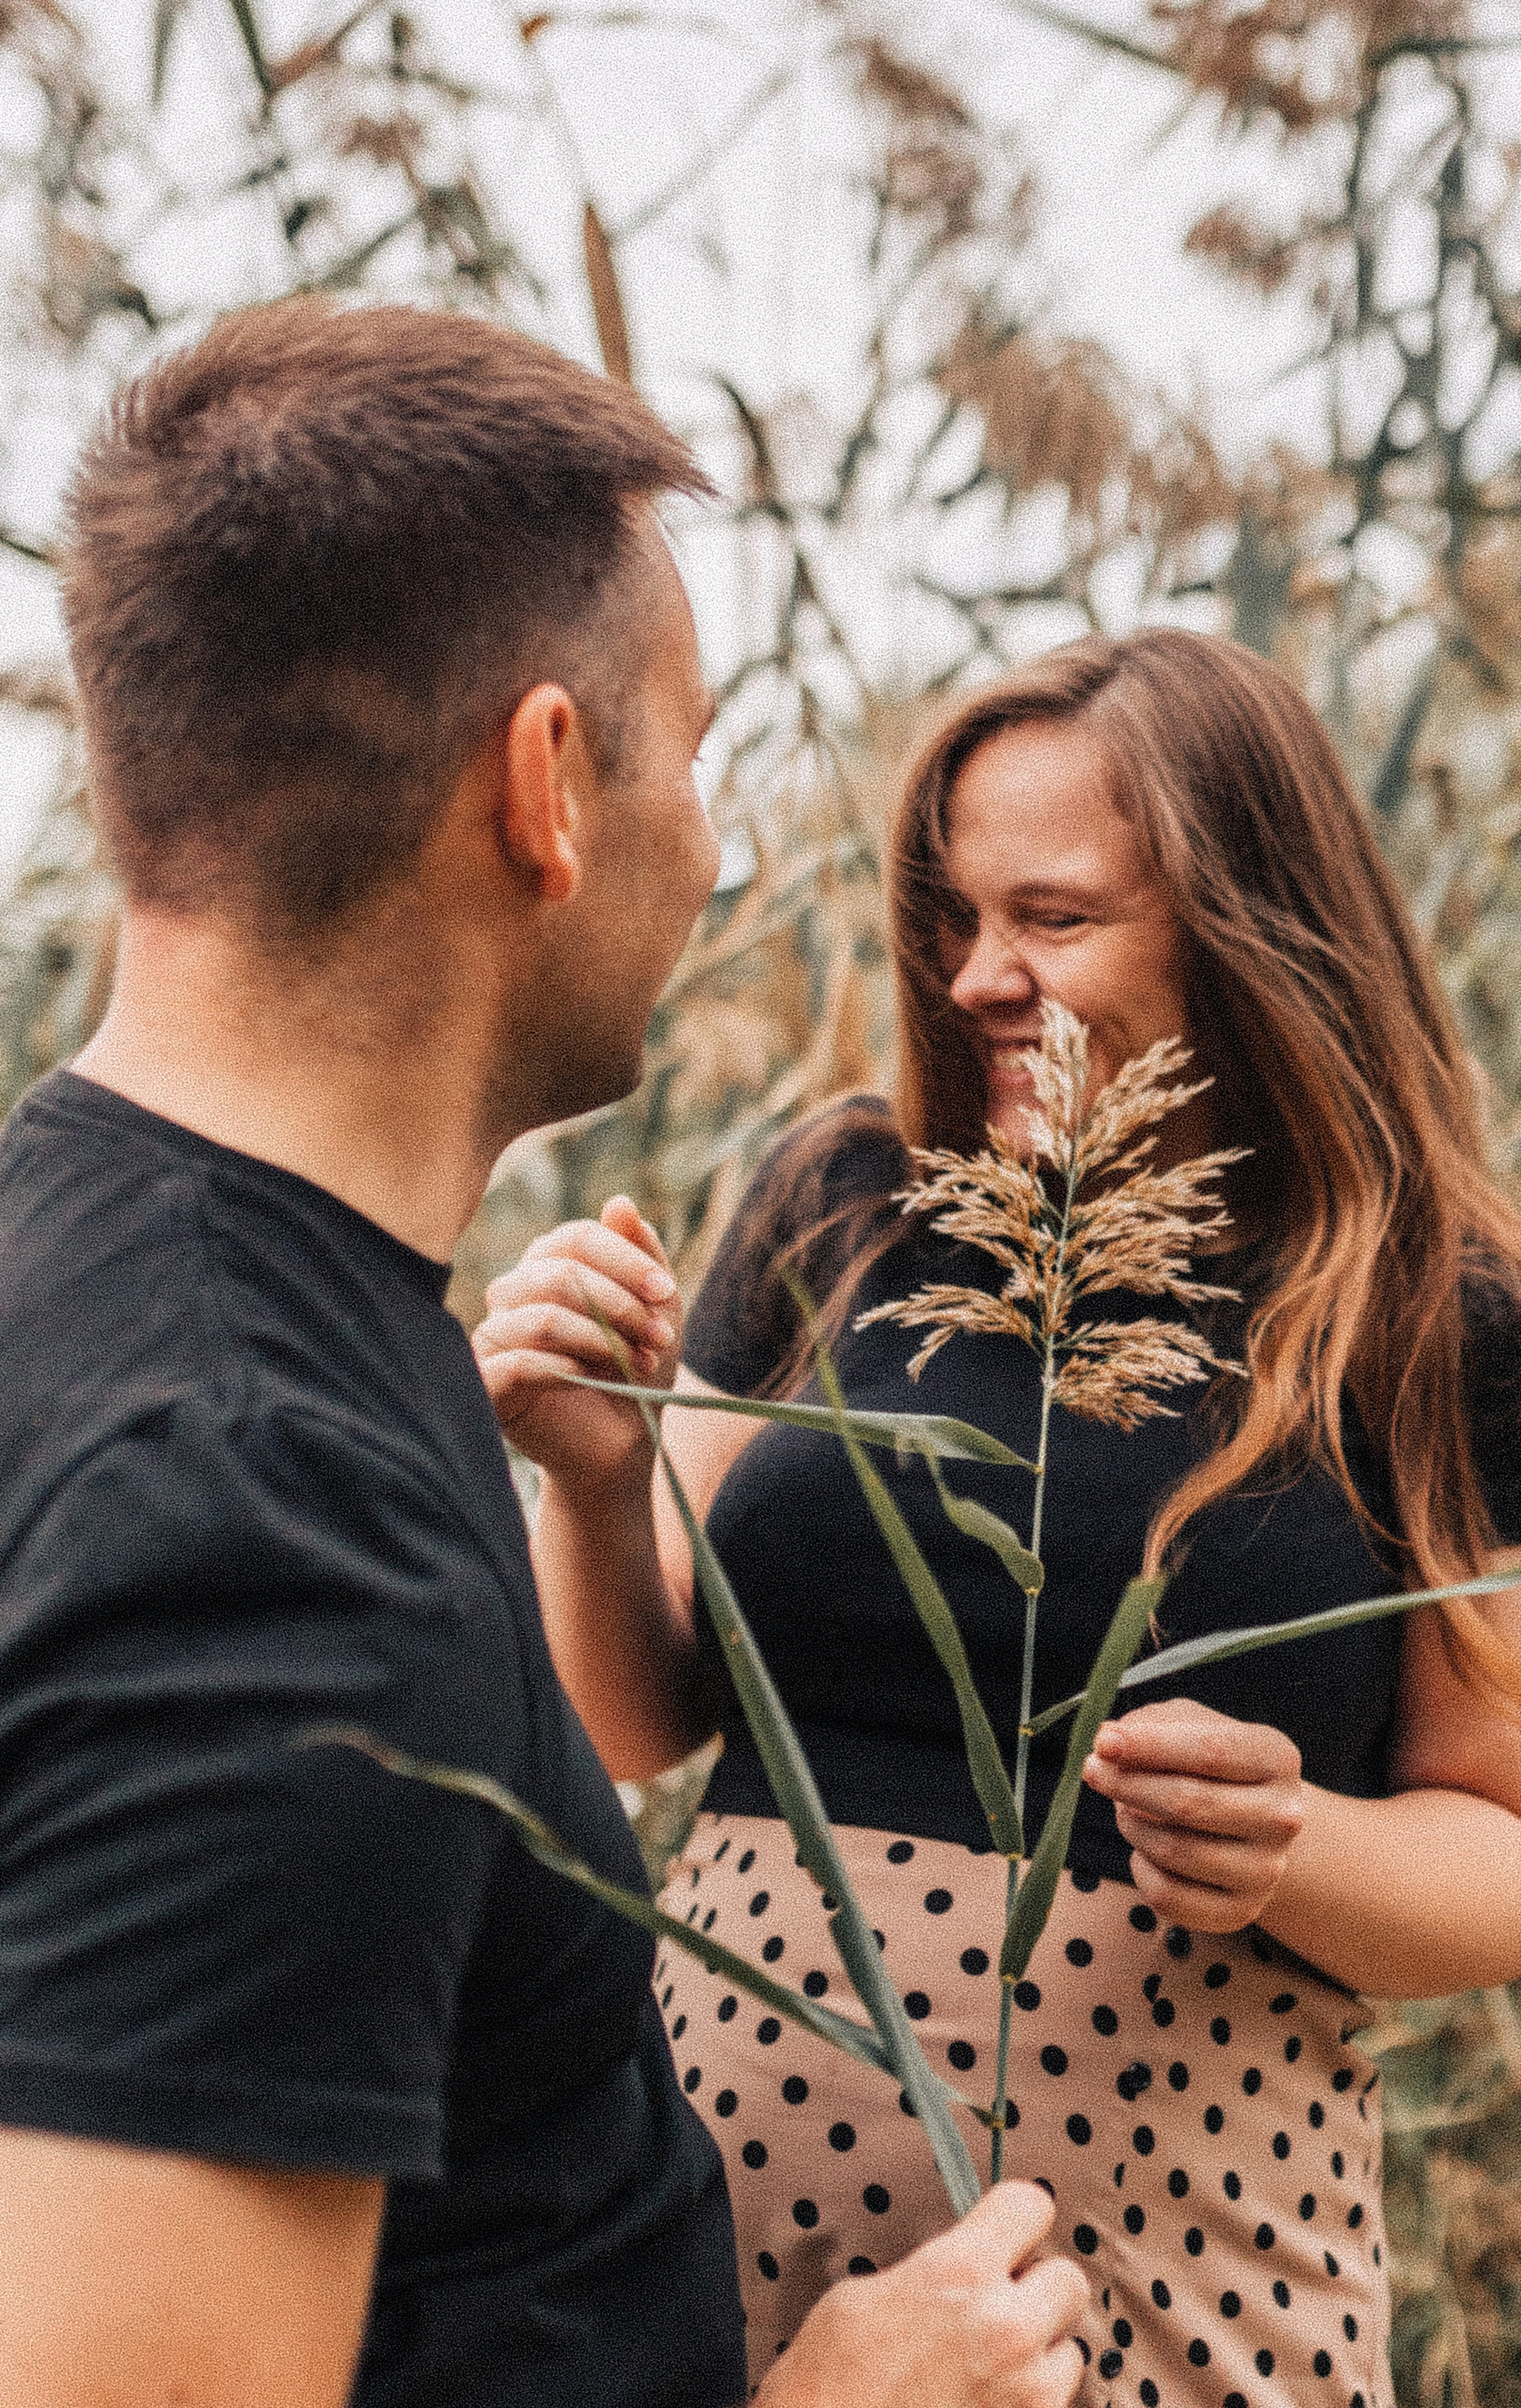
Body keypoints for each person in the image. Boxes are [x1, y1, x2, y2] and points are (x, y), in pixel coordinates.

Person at [0, 299, 1087, 2408]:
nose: (720, 843)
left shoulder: (128, 1272)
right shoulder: (267, 1523)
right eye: (689, 754)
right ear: (549, 784)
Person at [479, 628, 1521, 2407]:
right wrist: (587, 1478)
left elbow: (1510, 1865)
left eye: (1050, 919)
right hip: (705, 2244)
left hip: (1168, 2276)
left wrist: (1302, 1848)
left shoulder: (1448, 1317)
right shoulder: (846, 1202)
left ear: (1251, 925)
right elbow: (630, 1715)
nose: (977, 976)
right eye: (954, 917)